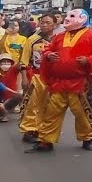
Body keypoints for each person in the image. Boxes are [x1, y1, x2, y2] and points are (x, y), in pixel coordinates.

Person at [26, 8, 92, 153]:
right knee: (51, 112)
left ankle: (87, 138)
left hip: (79, 83)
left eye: (72, 16)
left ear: (82, 18)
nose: (67, 19)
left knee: (82, 113)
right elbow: (47, 50)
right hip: (59, 82)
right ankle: (45, 140)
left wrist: (88, 60)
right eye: (67, 16)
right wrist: (49, 55)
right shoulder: (59, 36)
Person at [19, 12, 56, 143]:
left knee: (49, 105)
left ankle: (43, 130)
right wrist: (24, 78)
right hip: (36, 76)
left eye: (48, 23)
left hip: (53, 78)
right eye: (43, 22)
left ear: (54, 25)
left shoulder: (59, 39)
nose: (45, 25)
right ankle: (29, 130)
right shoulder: (32, 39)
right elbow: (24, 60)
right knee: (31, 104)